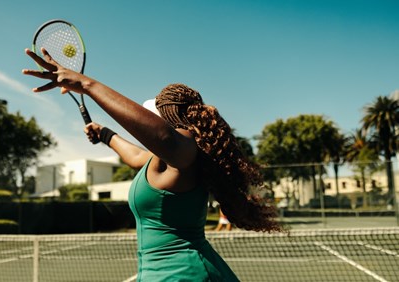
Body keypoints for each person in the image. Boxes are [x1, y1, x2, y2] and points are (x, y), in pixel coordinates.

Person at [23, 48, 283, 281]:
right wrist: (104, 134)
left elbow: (163, 137)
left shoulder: (185, 153)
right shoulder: (167, 163)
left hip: (187, 274)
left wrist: (86, 84)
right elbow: (136, 156)